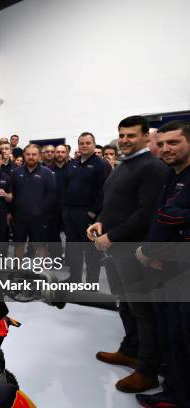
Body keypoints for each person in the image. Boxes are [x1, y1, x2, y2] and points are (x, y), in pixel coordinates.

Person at [87, 115, 169, 393]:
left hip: (133, 250)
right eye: (122, 135)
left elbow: (146, 212)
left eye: (131, 135)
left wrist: (113, 235)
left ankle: (147, 369)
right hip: (116, 248)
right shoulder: (126, 165)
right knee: (126, 304)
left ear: (146, 137)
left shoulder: (152, 168)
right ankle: (130, 349)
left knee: (142, 311)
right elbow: (115, 202)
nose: (124, 140)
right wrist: (100, 220)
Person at [135, 120, 190, 408]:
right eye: (163, 143)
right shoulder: (172, 175)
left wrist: (155, 249)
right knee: (171, 335)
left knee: (182, 336)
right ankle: (174, 392)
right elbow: (164, 217)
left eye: (175, 143)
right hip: (166, 269)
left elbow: (176, 219)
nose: (166, 148)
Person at [63, 132, 111, 283]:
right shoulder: (73, 164)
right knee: (73, 249)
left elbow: (105, 190)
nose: (84, 146)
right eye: (81, 143)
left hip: (89, 215)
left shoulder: (101, 164)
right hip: (71, 213)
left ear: (94, 144)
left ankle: (91, 283)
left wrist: (94, 212)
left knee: (91, 251)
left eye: (88, 143)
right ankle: (74, 278)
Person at [10, 144, 56, 258]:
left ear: (40, 156)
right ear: (24, 155)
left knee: (40, 246)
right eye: (28, 154)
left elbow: (51, 195)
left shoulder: (47, 173)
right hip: (20, 217)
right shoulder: (16, 173)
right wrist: (12, 213)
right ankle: (17, 272)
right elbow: (12, 195)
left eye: (34, 154)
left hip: (40, 218)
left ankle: (41, 274)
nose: (31, 156)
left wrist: (40, 211)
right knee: (19, 245)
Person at [47, 144, 70, 260]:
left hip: (69, 208)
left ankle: (71, 259)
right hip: (52, 209)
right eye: (58, 152)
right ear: (54, 154)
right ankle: (57, 258)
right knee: (53, 235)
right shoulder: (47, 170)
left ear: (66, 153)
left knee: (70, 235)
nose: (60, 154)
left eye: (62, 152)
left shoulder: (72, 168)